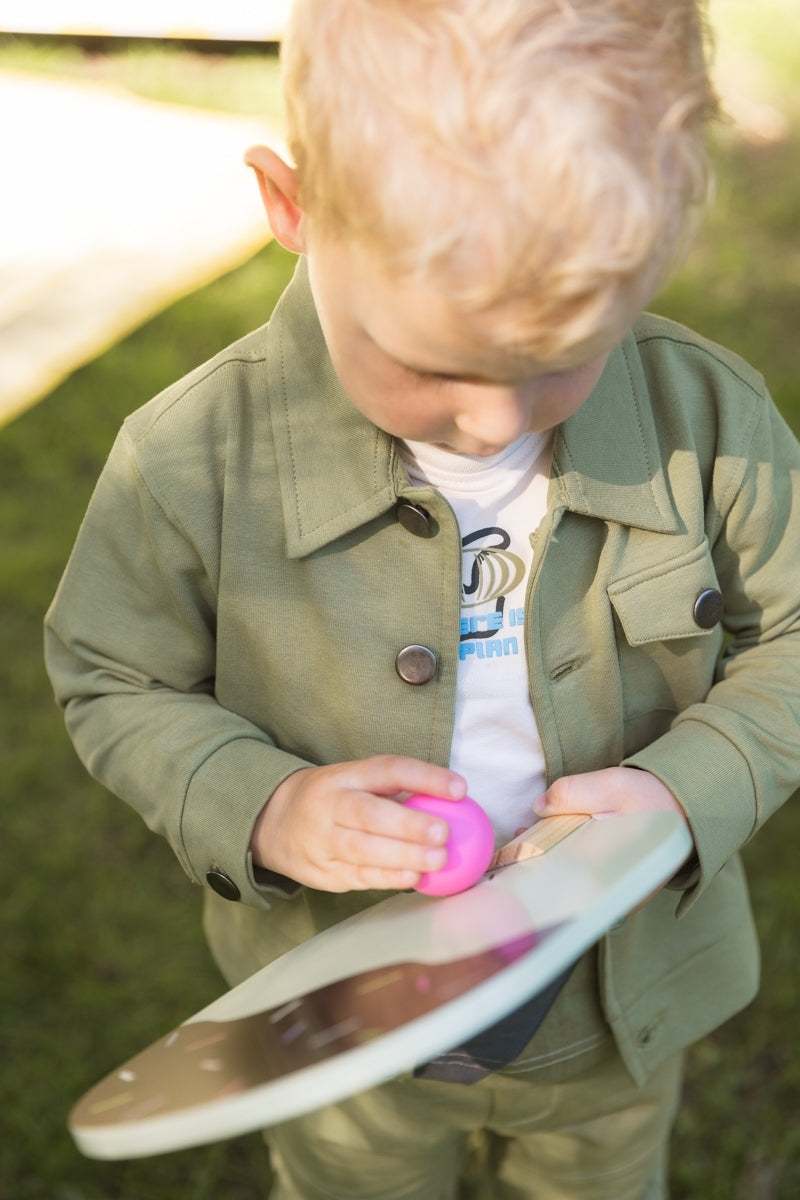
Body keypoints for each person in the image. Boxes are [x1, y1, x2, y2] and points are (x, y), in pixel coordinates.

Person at [45, 1, 800, 1196]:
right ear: (294, 210)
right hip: (347, 1021)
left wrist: (683, 791)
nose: (495, 418)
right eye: (434, 364)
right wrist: (261, 803)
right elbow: (112, 678)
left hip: (613, 1014)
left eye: (560, 360)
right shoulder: (190, 459)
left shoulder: (707, 423)